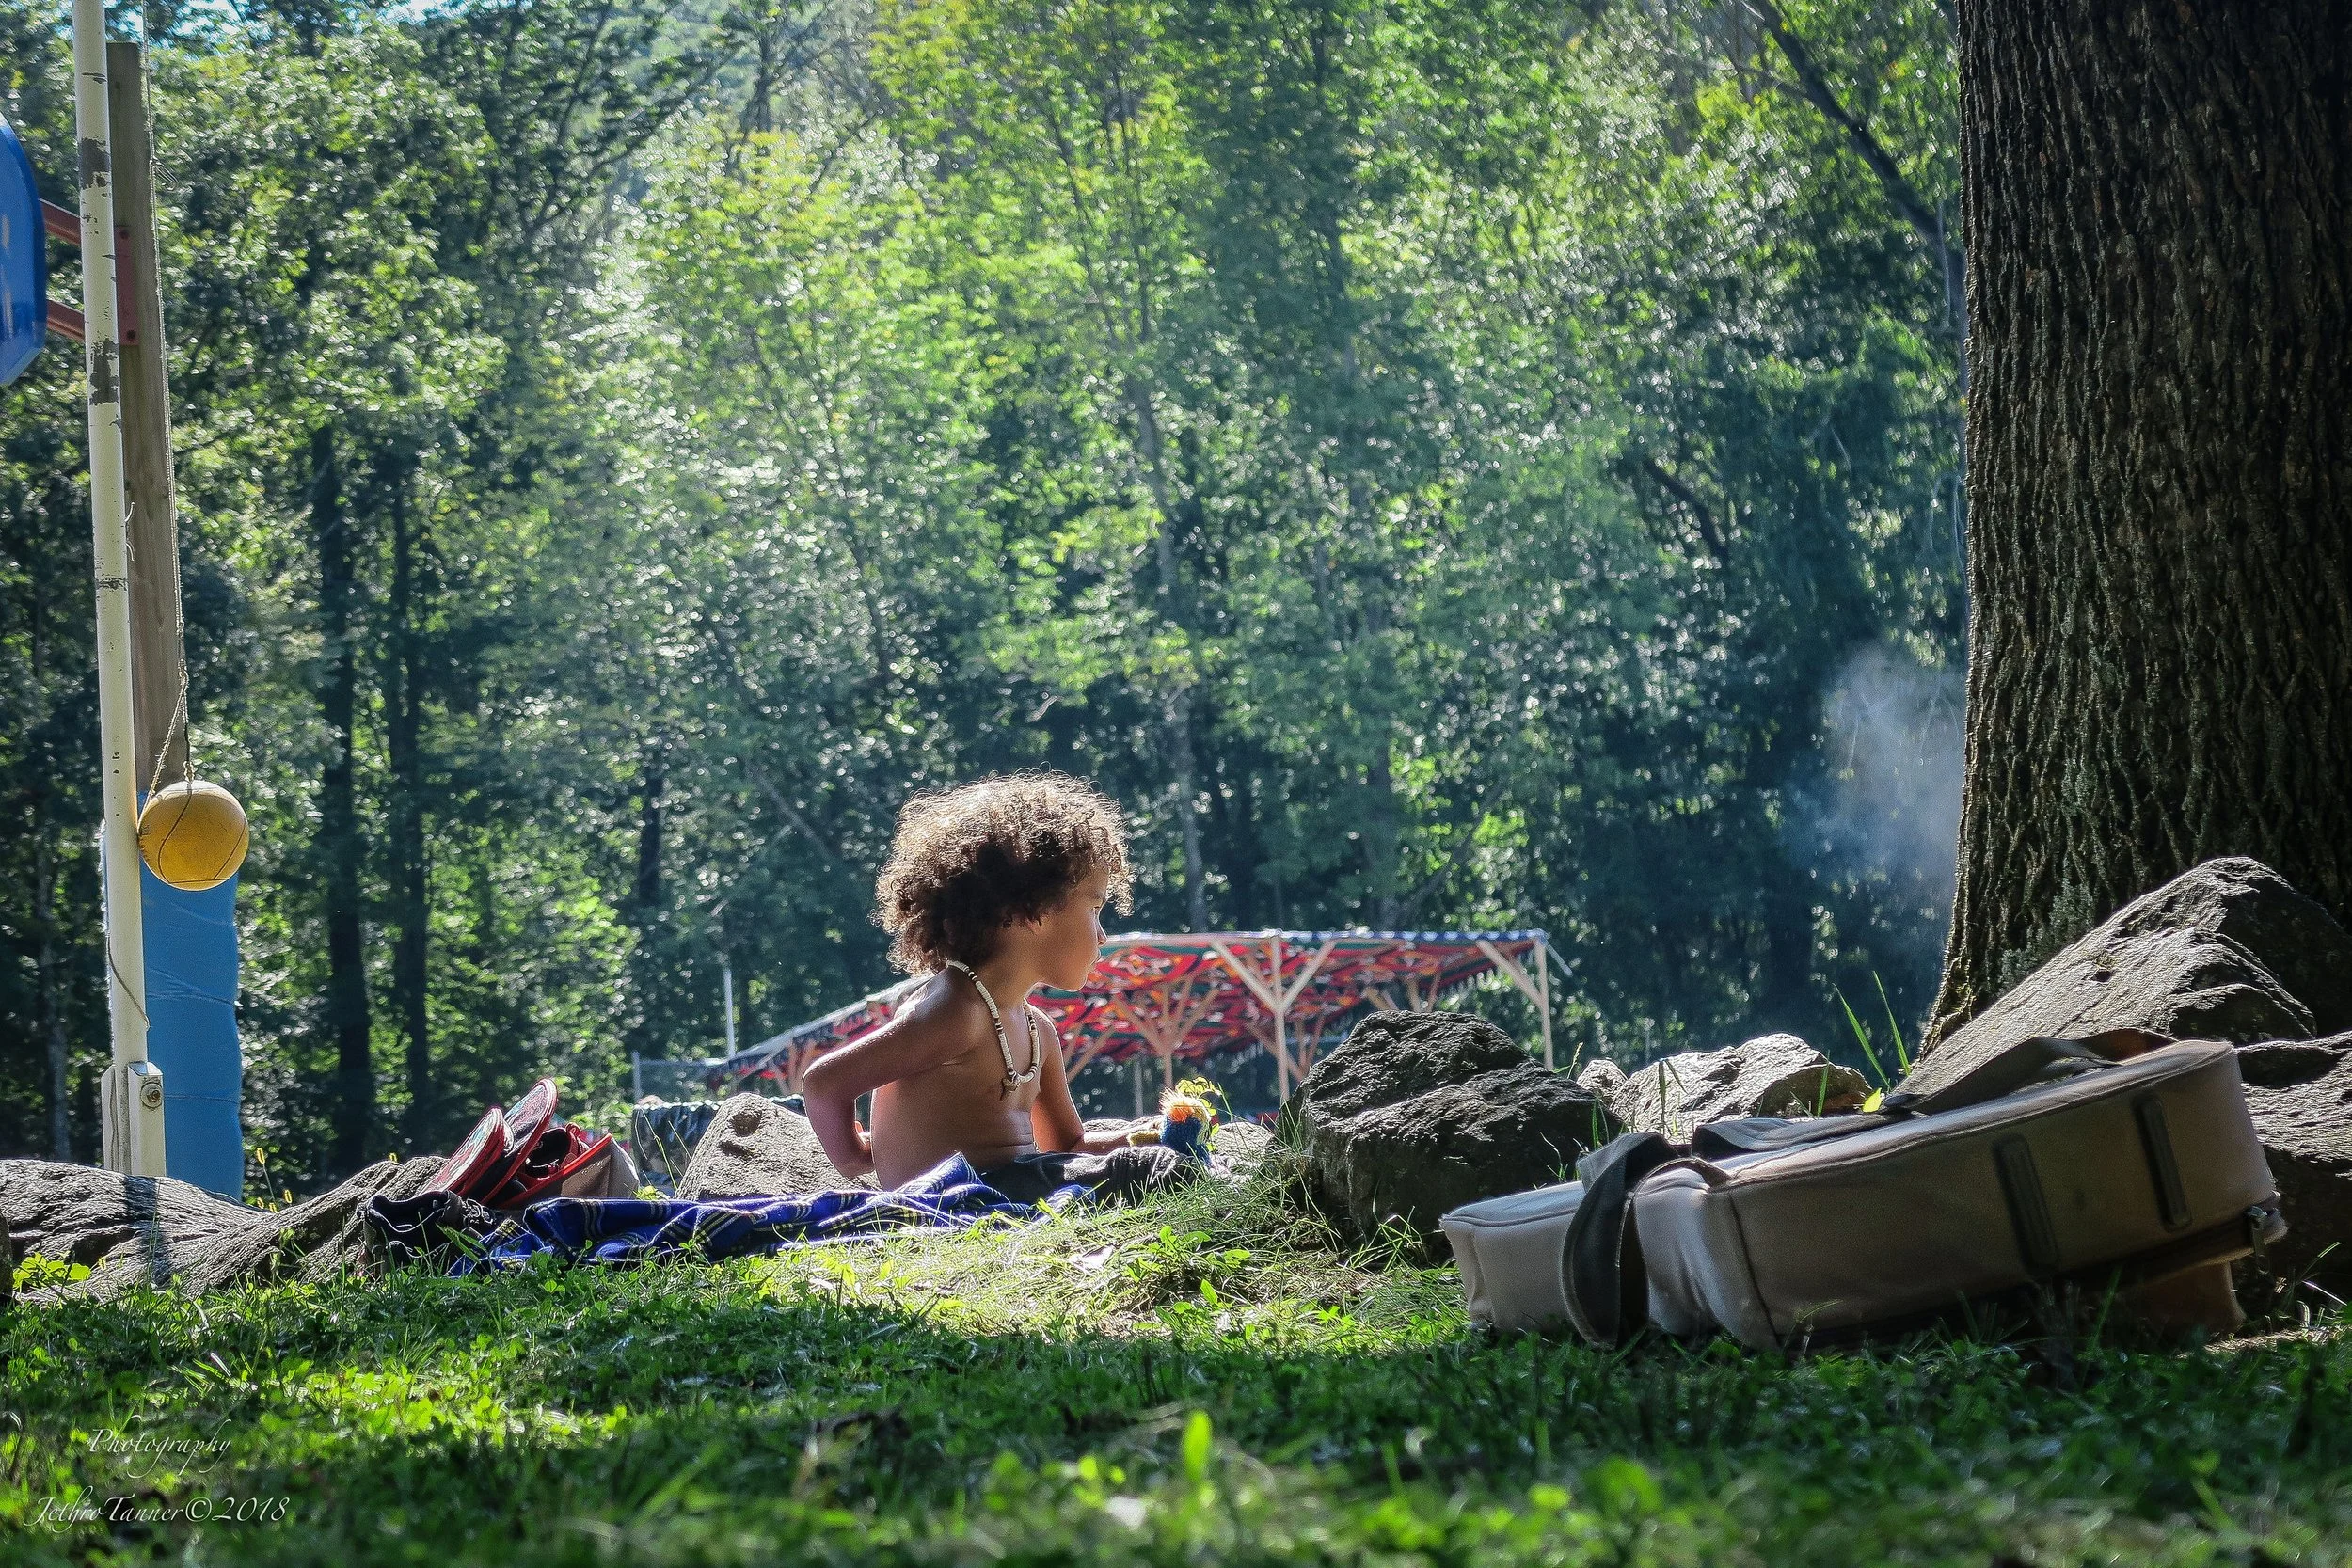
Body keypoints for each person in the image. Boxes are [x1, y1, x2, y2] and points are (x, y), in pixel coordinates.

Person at [801, 771, 1188, 1202]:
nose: (1102, 935)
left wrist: (1140, 1136)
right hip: (961, 1197)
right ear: (1036, 909)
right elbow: (825, 1083)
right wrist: (854, 1158)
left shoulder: (1036, 1028)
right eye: (1095, 908)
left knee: (1156, 1160)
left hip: (1022, 1184)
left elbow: (1069, 1147)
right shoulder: (957, 1011)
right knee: (1153, 1173)